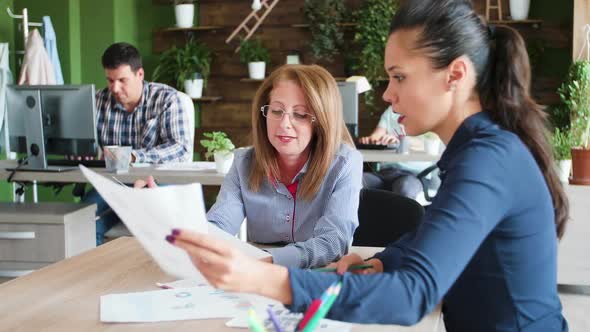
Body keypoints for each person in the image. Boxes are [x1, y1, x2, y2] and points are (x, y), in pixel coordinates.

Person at [164, 0, 570, 330]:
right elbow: (434, 233)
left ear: (455, 74)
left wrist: (266, 279)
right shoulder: (479, 151)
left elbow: (411, 296)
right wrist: (383, 259)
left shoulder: (488, 159)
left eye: (398, 77)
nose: (388, 95)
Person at [138, 64, 363, 268]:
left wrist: (266, 259)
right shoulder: (244, 162)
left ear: (322, 121)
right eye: (276, 111)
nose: (284, 124)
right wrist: (170, 216)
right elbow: (219, 225)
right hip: (255, 273)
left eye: (301, 114)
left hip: (317, 276)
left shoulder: (345, 163)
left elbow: (333, 241)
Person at [84, 42, 192, 245]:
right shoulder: (97, 101)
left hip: (156, 182)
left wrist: (135, 157)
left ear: (140, 74)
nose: (115, 88)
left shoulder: (168, 99)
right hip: (111, 186)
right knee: (81, 225)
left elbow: (181, 148)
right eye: (110, 80)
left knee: (166, 235)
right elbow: (86, 145)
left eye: (122, 80)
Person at [360, 105, 437, 199]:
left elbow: (429, 142)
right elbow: (377, 135)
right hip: (385, 173)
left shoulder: (427, 110)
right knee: (354, 180)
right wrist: (371, 140)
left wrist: (400, 139)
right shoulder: (391, 110)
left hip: (414, 175)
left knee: (404, 189)